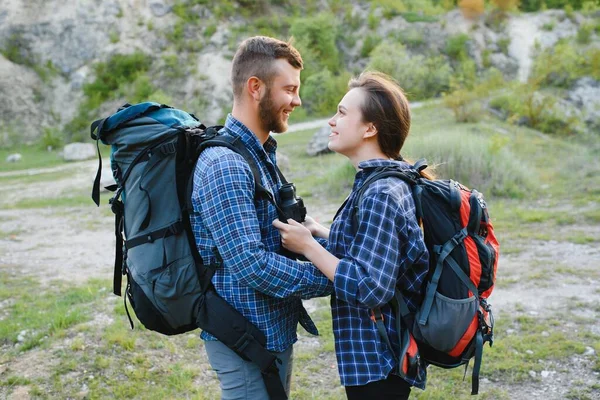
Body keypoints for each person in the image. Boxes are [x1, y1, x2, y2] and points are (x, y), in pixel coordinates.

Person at [273, 71, 431, 400]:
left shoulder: (382, 192)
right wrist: (322, 234)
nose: (332, 122)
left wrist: (309, 248)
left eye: (342, 113)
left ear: (370, 128)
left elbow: (370, 286)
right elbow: (377, 253)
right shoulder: (379, 182)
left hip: (379, 358)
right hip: (376, 355)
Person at [190, 36, 332, 400]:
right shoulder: (225, 164)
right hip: (245, 338)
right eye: (289, 89)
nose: (297, 101)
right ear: (256, 87)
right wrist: (335, 277)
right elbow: (250, 264)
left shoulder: (258, 153)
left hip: (268, 331)